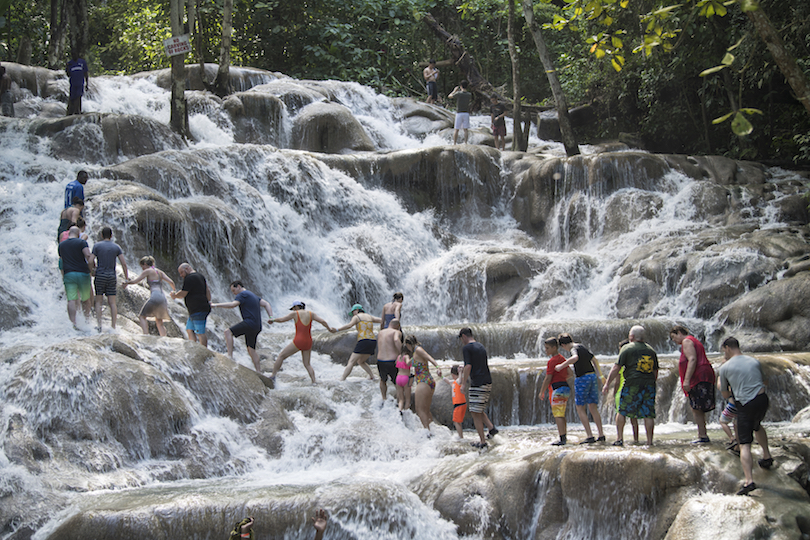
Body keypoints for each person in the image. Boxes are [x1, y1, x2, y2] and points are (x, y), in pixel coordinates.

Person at [718, 337, 774, 496]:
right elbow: (766, 381)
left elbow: (724, 393)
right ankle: (767, 456)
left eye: (724, 351)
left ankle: (749, 481)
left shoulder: (725, 367)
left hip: (745, 404)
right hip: (762, 400)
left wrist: (734, 390)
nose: (725, 354)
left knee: (744, 443)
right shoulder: (754, 361)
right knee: (756, 425)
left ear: (727, 348)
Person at [602, 325, 659, 446]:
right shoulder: (651, 350)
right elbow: (655, 371)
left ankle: (619, 438)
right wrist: (651, 382)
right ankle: (649, 442)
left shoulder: (627, 348)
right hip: (649, 384)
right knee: (648, 413)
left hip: (632, 384)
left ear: (631, 337)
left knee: (622, 410)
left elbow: (617, 367)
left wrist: (607, 383)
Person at [211, 281, 274, 372]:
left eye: (234, 290)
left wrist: (216, 305)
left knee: (227, 332)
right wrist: (271, 317)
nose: (233, 293)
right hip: (257, 326)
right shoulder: (252, 295)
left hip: (249, 323)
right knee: (251, 349)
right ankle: (259, 371)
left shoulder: (242, 294)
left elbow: (233, 305)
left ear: (239, 287)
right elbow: (266, 304)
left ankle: (229, 356)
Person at [554, 333, 606, 444]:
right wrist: (600, 376)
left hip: (582, 379)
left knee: (580, 408)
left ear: (563, 345)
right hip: (592, 377)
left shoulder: (573, 349)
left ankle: (590, 436)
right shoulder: (582, 346)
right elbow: (595, 360)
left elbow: (575, 358)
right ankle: (601, 435)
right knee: (593, 407)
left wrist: (562, 365)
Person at [670, 325, 716, 443]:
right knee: (698, 407)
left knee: (696, 408)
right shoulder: (694, 341)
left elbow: (692, 359)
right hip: (704, 375)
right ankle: (703, 435)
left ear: (679, 332)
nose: (674, 341)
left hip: (698, 377)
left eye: (674, 337)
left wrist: (686, 380)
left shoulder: (687, 341)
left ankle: (702, 436)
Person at [269, 301, 335, 383]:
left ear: (296, 307)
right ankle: (314, 381)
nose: (293, 310)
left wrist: (273, 319)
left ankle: (273, 376)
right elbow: (322, 321)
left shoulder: (295, 313)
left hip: (299, 340)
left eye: (293, 308)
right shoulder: (311, 314)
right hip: (308, 341)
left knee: (281, 356)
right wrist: (329, 329)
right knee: (307, 364)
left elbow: (282, 319)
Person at [458, 327, 497, 448]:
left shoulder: (467, 348)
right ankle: (491, 429)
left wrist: (463, 383)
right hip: (487, 380)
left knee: (474, 412)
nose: (461, 342)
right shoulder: (480, 346)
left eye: (461, 339)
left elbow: (468, 366)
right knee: (478, 409)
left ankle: (482, 442)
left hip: (478, 383)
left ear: (463, 336)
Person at [123, 256, 175, 337]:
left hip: (155, 297)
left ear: (145, 264)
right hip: (162, 298)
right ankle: (164, 338)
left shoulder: (148, 271)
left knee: (142, 316)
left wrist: (126, 283)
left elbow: (136, 281)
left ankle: (146, 335)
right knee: (159, 321)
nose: (142, 268)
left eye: (142, 266)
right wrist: (173, 292)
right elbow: (171, 282)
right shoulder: (159, 272)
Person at [90, 227, 128, 332]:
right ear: (111, 236)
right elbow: (124, 264)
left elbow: (90, 259)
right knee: (112, 302)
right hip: (111, 276)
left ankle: (99, 325)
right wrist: (126, 278)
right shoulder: (116, 247)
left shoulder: (97, 246)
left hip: (100, 275)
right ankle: (113, 326)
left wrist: (92, 270)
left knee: (98, 301)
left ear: (102, 235)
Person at [403, 334, 442, 431]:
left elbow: (429, 357)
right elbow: (409, 363)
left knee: (419, 410)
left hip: (424, 381)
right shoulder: (415, 353)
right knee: (426, 410)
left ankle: (427, 432)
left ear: (409, 344)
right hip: (427, 381)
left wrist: (437, 367)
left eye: (407, 346)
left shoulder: (418, 350)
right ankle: (432, 431)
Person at [540, 337, 574, 446]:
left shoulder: (552, 361)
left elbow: (548, 378)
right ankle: (564, 436)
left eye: (547, 348)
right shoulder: (562, 358)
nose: (546, 350)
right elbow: (570, 373)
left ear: (554, 348)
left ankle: (562, 439)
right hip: (565, 387)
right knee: (562, 414)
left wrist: (542, 391)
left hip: (558, 389)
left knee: (558, 415)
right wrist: (562, 377)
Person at [57, 226, 93, 328]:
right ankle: (87, 320)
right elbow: (88, 256)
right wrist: (91, 268)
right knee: (86, 298)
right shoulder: (82, 243)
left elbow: (61, 259)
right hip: (82, 273)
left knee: (71, 299)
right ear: (78, 234)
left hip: (69, 274)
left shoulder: (62, 245)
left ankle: (73, 323)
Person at [335, 304, 381, 381]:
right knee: (361, 361)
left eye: (353, 312)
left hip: (363, 340)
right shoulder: (369, 316)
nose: (353, 314)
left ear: (356, 310)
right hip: (372, 341)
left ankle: (342, 379)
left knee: (351, 361)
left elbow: (349, 325)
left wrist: (337, 330)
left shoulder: (356, 317)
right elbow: (382, 320)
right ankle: (372, 376)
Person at [170, 263, 212, 348]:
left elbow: (183, 293)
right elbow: (207, 290)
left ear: (187, 268)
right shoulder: (200, 276)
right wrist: (208, 300)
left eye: (182, 272)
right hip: (197, 309)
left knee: (200, 332)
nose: (181, 275)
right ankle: (193, 347)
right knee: (189, 329)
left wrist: (174, 295)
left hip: (198, 309)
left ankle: (204, 351)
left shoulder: (189, 278)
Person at [612, 339, 639, 443]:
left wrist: (614, 393)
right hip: (633, 390)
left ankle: (619, 438)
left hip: (622, 390)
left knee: (620, 414)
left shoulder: (620, 361)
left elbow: (617, 381)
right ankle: (636, 439)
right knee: (634, 417)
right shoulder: (634, 361)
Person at [375, 318, 403, 400]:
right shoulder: (396, 332)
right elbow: (396, 340)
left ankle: (384, 398)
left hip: (380, 360)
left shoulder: (380, 332)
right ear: (398, 326)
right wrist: (402, 353)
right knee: (397, 381)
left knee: (383, 380)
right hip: (392, 360)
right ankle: (400, 399)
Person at [441, 365, 467, 438]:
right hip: (461, 404)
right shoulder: (454, 382)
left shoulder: (459, 381)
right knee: (458, 421)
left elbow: (460, 380)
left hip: (459, 404)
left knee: (456, 421)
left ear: (453, 374)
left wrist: (461, 372)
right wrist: (441, 376)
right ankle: (461, 435)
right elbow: (448, 381)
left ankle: (460, 437)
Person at [448, 80, 472, 144]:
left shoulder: (458, 93)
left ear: (461, 86)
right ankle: (466, 142)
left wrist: (454, 90)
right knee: (466, 129)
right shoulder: (469, 94)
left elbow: (449, 96)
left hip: (459, 113)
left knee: (456, 129)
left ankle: (454, 143)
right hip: (466, 113)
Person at [395, 344, 412, 412]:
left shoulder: (399, 356)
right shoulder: (407, 356)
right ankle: (406, 415)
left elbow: (396, 363)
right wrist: (414, 358)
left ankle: (400, 410)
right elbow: (408, 363)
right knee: (408, 399)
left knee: (401, 399)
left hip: (398, 378)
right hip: (406, 378)